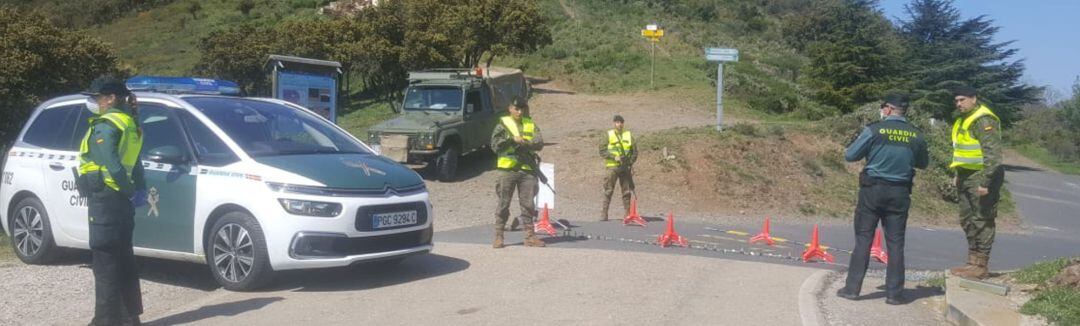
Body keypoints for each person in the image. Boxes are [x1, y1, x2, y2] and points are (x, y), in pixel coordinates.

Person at [836, 94, 928, 305]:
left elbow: (850, 155)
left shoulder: (874, 130)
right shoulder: (916, 134)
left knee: (863, 240)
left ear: (887, 109)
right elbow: (923, 163)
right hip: (900, 193)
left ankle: (852, 289)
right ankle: (894, 294)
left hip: (872, 191)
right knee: (896, 244)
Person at [78, 76, 147, 325]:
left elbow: (113, 165)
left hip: (107, 199)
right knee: (124, 258)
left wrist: (128, 189)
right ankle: (131, 316)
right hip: (122, 202)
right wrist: (138, 190)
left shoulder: (105, 125)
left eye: (97, 97)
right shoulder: (130, 122)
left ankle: (106, 321)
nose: (93, 102)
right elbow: (135, 163)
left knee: (105, 260)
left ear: (111, 98)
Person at [948, 85, 1004, 280]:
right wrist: (958, 172)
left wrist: (986, 182)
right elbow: (962, 150)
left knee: (982, 219)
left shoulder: (983, 119)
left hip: (982, 176)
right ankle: (972, 262)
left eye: (962, 99)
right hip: (966, 175)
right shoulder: (963, 119)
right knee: (967, 219)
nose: (958, 103)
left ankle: (981, 265)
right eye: (956, 100)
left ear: (974, 98)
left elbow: (993, 155)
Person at [490, 97, 546, 249]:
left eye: (522, 109)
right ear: (510, 108)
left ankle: (530, 237)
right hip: (507, 170)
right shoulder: (503, 125)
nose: (519, 112)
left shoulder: (530, 123)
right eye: (516, 108)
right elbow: (494, 146)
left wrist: (525, 143)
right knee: (503, 204)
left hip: (527, 170)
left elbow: (539, 142)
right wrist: (510, 139)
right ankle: (499, 236)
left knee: (528, 205)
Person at [598, 115, 636, 221]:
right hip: (612, 167)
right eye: (617, 122)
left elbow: (634, 152)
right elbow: (602, 150)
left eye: (621, 122)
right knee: (608, 190)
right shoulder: (608, 135)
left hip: (625, 167)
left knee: (626, 191)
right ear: (614, 123)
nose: (619, 124)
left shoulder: (628, 135)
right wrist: (614, 157)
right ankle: (604, 214)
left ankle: (627, 214)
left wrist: (630, 162)